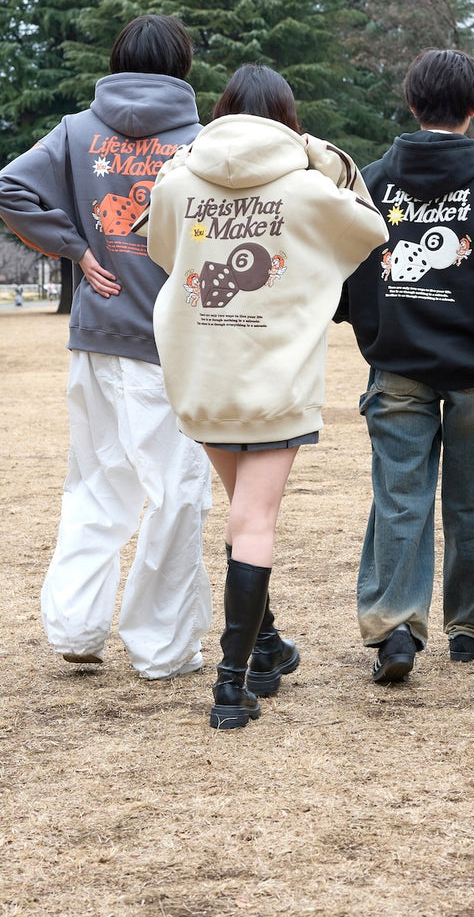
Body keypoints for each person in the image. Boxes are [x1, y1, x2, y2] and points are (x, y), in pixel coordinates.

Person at [143, 64, 388, 727]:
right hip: (273, 374)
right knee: (252, 522)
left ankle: (268, 646)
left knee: (242, 516)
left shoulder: (179, 178)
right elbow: (370, 229)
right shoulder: (308, 188)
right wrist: (319, 158)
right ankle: (233, 683)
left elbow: (159, 244)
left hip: (202, 371)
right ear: (288, 119)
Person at [0, 15, 213, 679]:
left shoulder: (76, 131)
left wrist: (77, 248)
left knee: (97, 484)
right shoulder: (203, 142)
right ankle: (162, 647)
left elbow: (11, 185)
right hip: (172, 344)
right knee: (177, 492)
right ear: (180, 65)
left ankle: (76, 625)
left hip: (96, 337)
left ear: (117, 58)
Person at [336, 49, 474, 683]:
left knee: (400, 495)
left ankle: (394, 630)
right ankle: (471, 629)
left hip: (397, 366)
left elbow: (352, 273)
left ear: (413, 104)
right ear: (472, 109)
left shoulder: (372, 182)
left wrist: (376, 331)